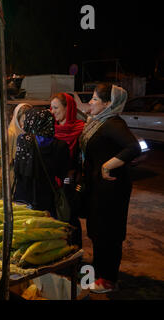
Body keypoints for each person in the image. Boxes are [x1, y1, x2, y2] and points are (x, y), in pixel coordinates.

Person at [79, 84, 141, 293]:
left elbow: (133, 147)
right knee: (97, 231)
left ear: (108, 103)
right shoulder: (99, 122)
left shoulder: (113, 123)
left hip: (112, 190)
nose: (90, 103)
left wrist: (108, 164)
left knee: (109, 233)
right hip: (99, 188)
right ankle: (98, 274)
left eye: (95, 99)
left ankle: (108, 279)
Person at [14, 108, 70, 217]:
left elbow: (18, 170)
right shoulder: (61, 146)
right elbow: (63, 173)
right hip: (47, 194)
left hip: (24, 193)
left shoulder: (23, 140)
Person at [50, 93, 85, 247]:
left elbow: (85, 160)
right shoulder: (51, 129)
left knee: (71, 220)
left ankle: (75, 253)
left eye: (56, 107)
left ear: (68, 108)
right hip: (53, 184)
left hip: (71, 185)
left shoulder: (81, 130)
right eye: (51, 107)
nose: (52, 111)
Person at [0, 103, 33, 198]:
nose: (24, 125)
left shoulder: (31, 135)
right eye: (23, 121)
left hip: (27, 180)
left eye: (28, 121)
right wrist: (10, 161)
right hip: (11, 180)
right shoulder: (9, 134)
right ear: (16, 119)